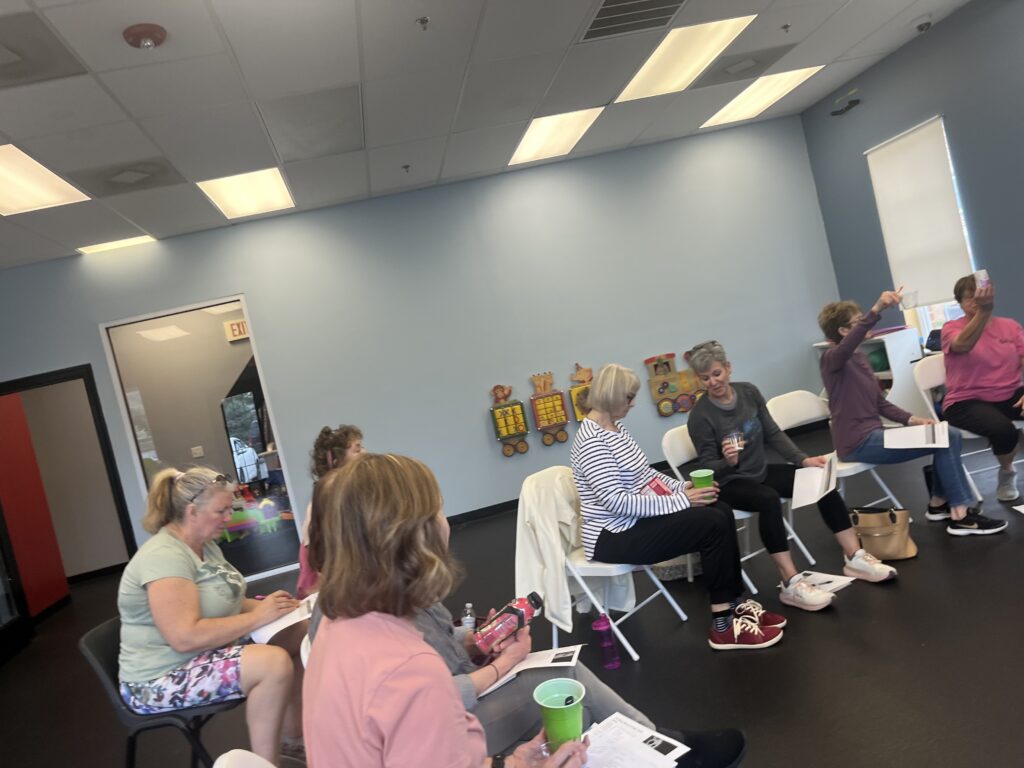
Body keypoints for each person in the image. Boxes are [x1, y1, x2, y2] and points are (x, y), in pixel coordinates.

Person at [305, 485, 746, 767]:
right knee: (565, 683)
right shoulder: (404, 666)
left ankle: (655, 745)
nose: (446, 521)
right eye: (439, 510)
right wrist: (505, 663)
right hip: (462, 703)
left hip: (451, 706)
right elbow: (437, 696)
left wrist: (477, 641)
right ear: (409, 534)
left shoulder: (352, 614)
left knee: (570, 699)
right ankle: (660, 747)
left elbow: (432, 654)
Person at [303, 453, 589, 768]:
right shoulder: (413, 671)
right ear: (418, 535)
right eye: (439, 509)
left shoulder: (336, 622)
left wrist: (510, 764)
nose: (446, 521)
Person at [570, 363, 784, 651]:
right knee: (711, 523)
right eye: (629, 398)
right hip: (612, 537)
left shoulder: (615, 428)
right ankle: (723, 626)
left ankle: (736, 603)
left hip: (631, 523)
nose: (633, 404)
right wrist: (684, 500)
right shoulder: (591, 442)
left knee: (720, 510)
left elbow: (645, 474)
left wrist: (682, 487)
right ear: (612, 397)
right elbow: (616, 501)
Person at [686, 341, 896, 612]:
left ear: (728, 368)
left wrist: (802, 459)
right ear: (699, 380)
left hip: (759, 472)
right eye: (705, 378)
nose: (713, 382)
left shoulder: (748, 392)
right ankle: (790, 581)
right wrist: (728, 462)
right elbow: (707, 468)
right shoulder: (700, 416)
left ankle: (854, 557)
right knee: (768, 499)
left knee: (818, 478)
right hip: (729, 483)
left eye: (717, 373)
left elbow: (772, 432)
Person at [117, 467, 306, 765]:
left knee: (298, 632)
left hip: (201, 653)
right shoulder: (163, 557)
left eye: (230, 508)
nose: (229, 516)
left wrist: (278, 609)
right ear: (192, 511)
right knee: (272, 663)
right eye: (221, 510)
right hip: (158, 678)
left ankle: (291, 740)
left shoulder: (205, 545)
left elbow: (228, 601)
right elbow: (185, 637)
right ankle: (265, 763)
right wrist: (259, 617)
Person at [818, 290, 1007, 536]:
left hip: (875, 433)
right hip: (856, 442)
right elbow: (845, 349)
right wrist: (876, 309)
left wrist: (913, 419)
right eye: (858, 321)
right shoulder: (830, 359)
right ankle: (960, 515)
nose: (865, 323)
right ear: (844, 331)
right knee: (947, 438)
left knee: (945, 434)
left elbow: (880, 403)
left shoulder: (860, 358)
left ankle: (938, 504)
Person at [941, 274, 1024, 501]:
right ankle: (1007, 473)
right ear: (959, 303)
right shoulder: (951, 328)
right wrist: (984, 311)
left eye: (980, 295)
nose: (976, 300)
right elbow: (963, 345)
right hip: (965, 400)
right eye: (970, 297)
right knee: (1004, 430)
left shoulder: (1010, 326)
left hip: (1009, 393)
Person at [295, 424, 364, 598]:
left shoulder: (348, 491)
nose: (365, 452)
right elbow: (321, 554)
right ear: (336, 461)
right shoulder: (328, 498)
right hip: (323, 579)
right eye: (357, 450)